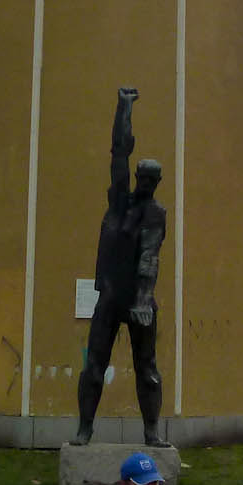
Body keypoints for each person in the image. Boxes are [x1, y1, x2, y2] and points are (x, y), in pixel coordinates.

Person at [73, 86, 171, 447]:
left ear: (156, 183)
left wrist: (144, 300)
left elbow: (150, 254)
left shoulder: (156, 213)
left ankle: (151, 432)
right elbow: (119, 153)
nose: (142, 183)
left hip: (140, 300)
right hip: (112, 297)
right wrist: (124, 108)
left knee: (147, 369)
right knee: (93, 365)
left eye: (149, 180)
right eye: (140, 177)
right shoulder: (118, 202)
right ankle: (84, 429)